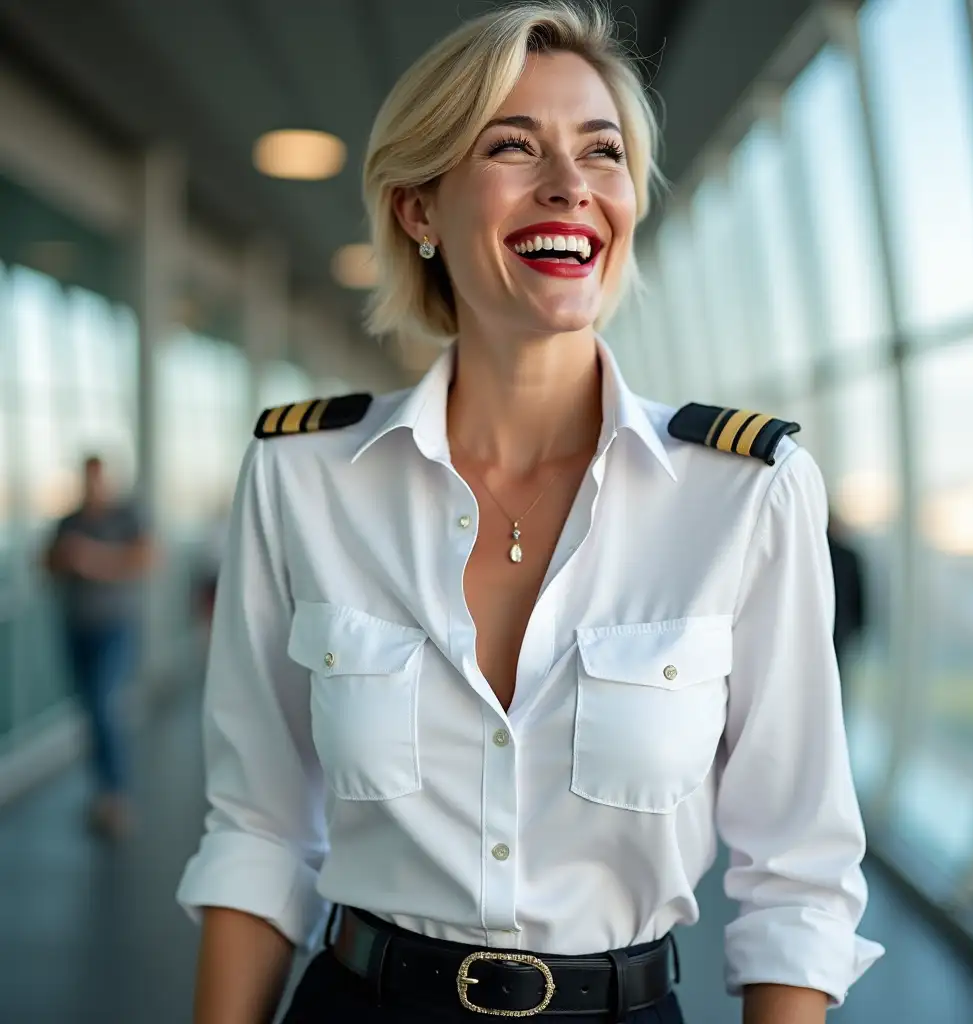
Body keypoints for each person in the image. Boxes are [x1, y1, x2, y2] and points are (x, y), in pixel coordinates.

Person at [177, 4, 883, 1022]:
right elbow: (255, 825)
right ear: (418, 207)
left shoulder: (744, 490)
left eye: (602, 152)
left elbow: (797, 871)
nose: (570, 186)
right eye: (512, 146)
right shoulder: (303, 473)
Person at [45, 454, 157, 838]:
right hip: (76, 627)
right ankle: (104, 793)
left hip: (115, 626)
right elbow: (45, 564)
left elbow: (146, 558)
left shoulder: (126, 516)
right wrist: (65, 559)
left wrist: (93, 559)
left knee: (104, 706)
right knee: (91, 710)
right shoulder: (69, 521)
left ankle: (115, 795)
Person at [827, 511, 867, 714]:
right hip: (841, 631)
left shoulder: (817, 555)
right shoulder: (849, 556)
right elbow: (861, 600)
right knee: (836, 687)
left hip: (827, 630)